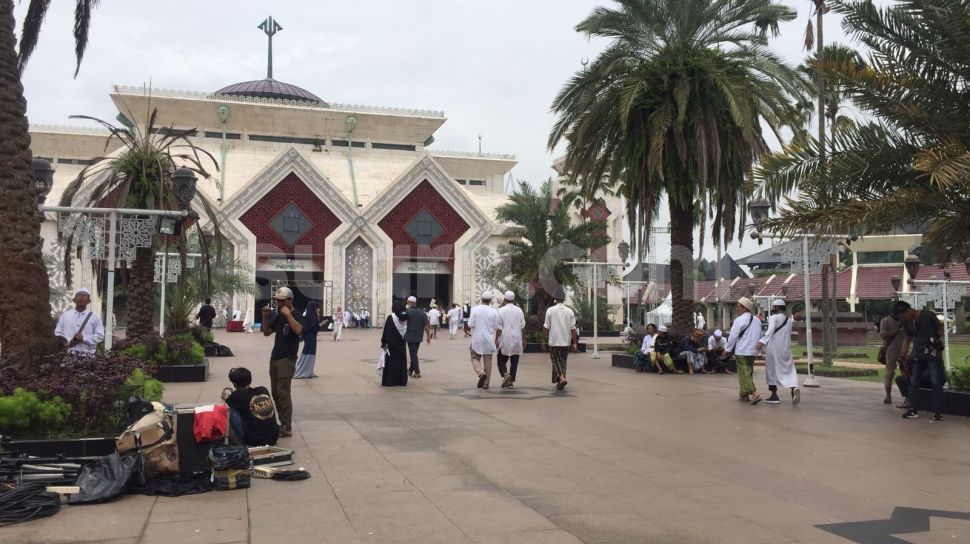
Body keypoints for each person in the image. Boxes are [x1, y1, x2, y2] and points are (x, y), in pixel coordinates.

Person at [261, 287, 303, 437]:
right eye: (278, 301)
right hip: (275, 357)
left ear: (290, 300)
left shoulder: (296, 314)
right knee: (275, 393)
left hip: (287, 358)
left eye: (282, 301)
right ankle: (283, 423)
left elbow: (298, 330)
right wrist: (265, 316)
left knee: (283, 393)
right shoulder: (279, 316)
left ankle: (287, 426)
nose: (279, 304)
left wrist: (289, 315)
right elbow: (266, 332)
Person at [895, 301, 946, 421]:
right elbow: (907, 338)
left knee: (936, 382)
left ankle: (937, 411)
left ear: (908, 310)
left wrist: (936, 339)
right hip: (917, 355)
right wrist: (903, 354)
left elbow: (940, 330)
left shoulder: (928, 315)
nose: (903, 318)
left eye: (903, 316)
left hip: (932, 354)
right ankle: (912, 409)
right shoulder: (907, 322)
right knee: (913, 382)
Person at [221, 367, 279, 446]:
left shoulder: (238, 395)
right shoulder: (263, 390)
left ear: (235, 384)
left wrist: (227, 398)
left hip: (255, 441)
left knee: (231, 408)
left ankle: (241, 441)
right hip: (273, 438)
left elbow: (229, 399)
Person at [757, 299, 801, 405]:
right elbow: (793, 320)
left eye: (773, 307)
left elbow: (770, 330)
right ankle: (793, 388)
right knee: (788, 370)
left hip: (774, 348)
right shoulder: (788, 320)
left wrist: (761, 342)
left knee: (771, 371)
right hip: (785, 349)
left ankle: (774, 395)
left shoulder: (774, 318)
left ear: (776, 307)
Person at [724, 296, 763, 404]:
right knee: (748, 372)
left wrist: (727, 349)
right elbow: (760, 335)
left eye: (738, 307)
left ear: (744, 308)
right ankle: (744, 395)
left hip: (742, 350)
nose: (737, 309)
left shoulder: (739, 320)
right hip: (753, 350)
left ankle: (754, 393)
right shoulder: (757, 320)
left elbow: (733, 336)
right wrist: (759, 350)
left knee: (744, 373)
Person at [542, 287, 578, 390]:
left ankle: (562, 379)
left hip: (554, 340)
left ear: (555, 298)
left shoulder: (550, 310)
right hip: (566, 340)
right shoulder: (570, 311)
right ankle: (560, 381)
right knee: (563, 361)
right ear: (564, 298)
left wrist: (543, 340)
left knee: (555, 360)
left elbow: (546, 327)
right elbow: (573, 328)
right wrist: (574, 343)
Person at [466, 291, 501, 389]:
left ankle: (481, 373)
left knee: (474, 358)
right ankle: (486, 383)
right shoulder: (494, 311)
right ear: (490, 301)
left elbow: (470, 324)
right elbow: (496, 326)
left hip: (477, 339)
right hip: (488, 340)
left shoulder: (475, 309)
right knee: (488, 361)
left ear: (481, 299)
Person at [54, 288, 105, 355]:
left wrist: (84, 339)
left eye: (84, 296)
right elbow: (58, 333)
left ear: (89, 301)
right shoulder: (65, 315)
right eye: (79, 295)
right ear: (74, 300)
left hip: (88, 354)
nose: (81, 297)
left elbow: (100, 336)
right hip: (68, 354)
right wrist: (65, 343)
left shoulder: (95, 317)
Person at [496, 291, 526, 388]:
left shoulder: (501, 311)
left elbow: (499, 327)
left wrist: (496, 339)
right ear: (513, 300)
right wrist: (523, 339)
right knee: (514, 360)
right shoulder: (519, 310)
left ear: (504, 299)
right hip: (517, 338)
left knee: (501, 359)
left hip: (505, 338)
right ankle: (511, 380)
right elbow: (523, 326)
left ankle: (505, 374)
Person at [879, 309, 906, 406]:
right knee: (889, 374)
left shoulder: (905, 321)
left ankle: (907, 397)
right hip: (891, 350)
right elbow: (883, 335)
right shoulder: (885, 321)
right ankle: (888, 395)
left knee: (905, 374)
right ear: (898, 312)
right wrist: (897, 331)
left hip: (904, 351)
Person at [380, 302, 410, 387]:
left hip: (392, 346)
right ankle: (401, 381)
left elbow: (387, 331)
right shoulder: (405, 318)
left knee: (391, 364)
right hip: (402, 343)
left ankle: (390, 381)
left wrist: (384, 342)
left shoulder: (391, 317)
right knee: (401, 363)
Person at [295, 302, 324, 379]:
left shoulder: (308, 316)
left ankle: (309, 371)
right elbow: (314, 328)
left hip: (310, 338)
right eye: (317, 308)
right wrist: (319, 325)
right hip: (310, 338)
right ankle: (302, 372)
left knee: (310, 354)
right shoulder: (311, 317)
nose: (318, 309)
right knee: (308, 353)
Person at [405, 296, 431, 378]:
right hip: (419, 337)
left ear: (411, 302)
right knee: (414, 354)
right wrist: (428, 336)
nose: (407, 303)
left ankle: (417, 372)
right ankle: (410, 370)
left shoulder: (407, 312)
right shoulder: (422, 313)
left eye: (408, 302)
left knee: (413, 354)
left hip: (410, 336)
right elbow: (426, 325)